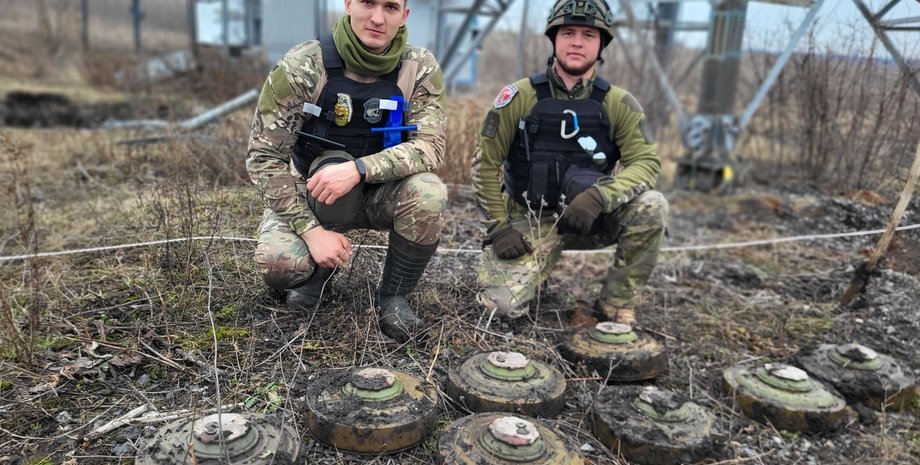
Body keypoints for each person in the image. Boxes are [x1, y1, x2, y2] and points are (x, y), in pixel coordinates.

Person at [246, 0, 447, 342]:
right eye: (368, 3)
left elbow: (431, 145)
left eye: (391, 7)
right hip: (311, 192)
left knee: (429, 192)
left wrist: (360, 169)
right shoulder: (304, 64)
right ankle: (316, 272)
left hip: (378, 193)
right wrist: (311, 231)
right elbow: (263, 157)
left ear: (405, 16)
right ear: (349, 4)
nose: (378, 17)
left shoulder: (419, 67)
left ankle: (394, 296)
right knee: (279, 264)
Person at [471, 0, 668, 325]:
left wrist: (600, 197)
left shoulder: (619, 103)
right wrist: (500, 228)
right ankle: (532, 271)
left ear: (601, 43)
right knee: (499, 308)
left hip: (592, 218)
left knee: (652, 205)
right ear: (554, 38)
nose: (577, 41)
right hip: (530, 219)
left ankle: (616, 304)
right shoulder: (518, 98)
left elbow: (646, 163)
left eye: (589, 34)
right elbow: (484, 167)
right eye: (569, 32)